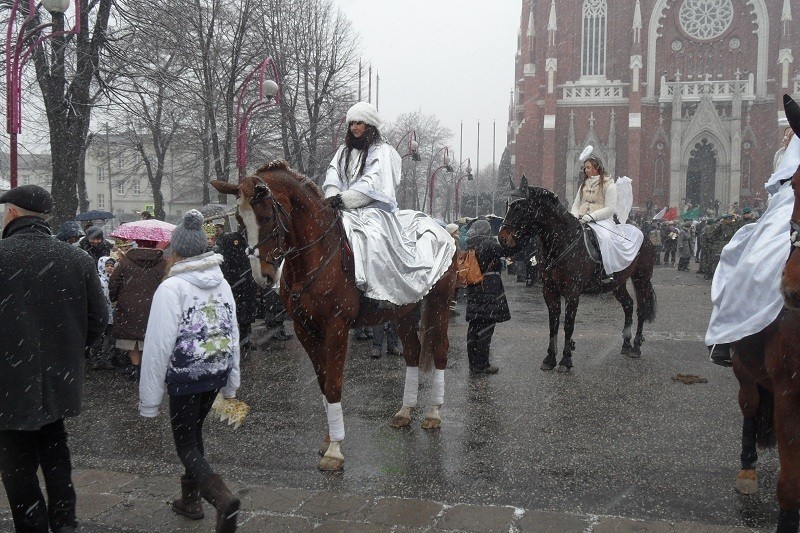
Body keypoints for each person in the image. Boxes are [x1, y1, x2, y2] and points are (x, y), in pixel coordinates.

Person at [0, 185, 108, 533]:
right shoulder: (76, 259)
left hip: (9, 383)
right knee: (55, 451)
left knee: (16, 464)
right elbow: (99, 319)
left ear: (13, 213)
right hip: (58, 378)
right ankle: (65, 522)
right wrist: (71, 350)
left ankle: (32, 525)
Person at [139, 210, 241, 532]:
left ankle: (222, 499)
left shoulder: (171, 289)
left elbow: (157, 347)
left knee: (184, 444)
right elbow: (233, 333)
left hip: (185, 377)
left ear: (177, 251)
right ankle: (191, 500)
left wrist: (149, 401)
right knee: (194, 435)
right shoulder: (221, 282)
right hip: (215, 371)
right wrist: (231, 382)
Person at [322, 101, 455, 307]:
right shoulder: (343, 151)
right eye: (351, 124)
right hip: (341, 208)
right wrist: (332, 195)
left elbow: (374, 181)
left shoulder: (382, 151)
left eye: (359, 123)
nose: (354, 128)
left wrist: (346, 199)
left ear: (369, 124)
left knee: (373, 239)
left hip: (373, 209)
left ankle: (378, 294)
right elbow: (333, 174)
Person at [706, 110, 800, 367]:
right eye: (786, 135)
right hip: (787, 203)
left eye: (790, 136)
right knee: (747, 259)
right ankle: (728, 334)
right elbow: (778, 186)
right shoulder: (783, 156)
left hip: (791, 200)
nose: (786, 139)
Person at [570, 150, 643, 283]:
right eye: (585, 168)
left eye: (588, 167)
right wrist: (574, 217)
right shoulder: (583, 186)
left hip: (602, 221)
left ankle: (606, 271)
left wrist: (592, 216)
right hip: (582, 219)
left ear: (596, 168)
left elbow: (610, 209)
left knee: (605, 238)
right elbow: (575, 205)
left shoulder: (609, 186)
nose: (585, 170)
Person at [108, 238, 167, 380]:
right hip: (153, 305)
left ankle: (136, 369)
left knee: (133, 339)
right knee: (149, 337)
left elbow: (114, 282)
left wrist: (114, 297)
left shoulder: (125, 262)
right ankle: (148, 370)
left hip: (129, 305)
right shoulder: (163, 264)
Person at [464, 219, 511, 374]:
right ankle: (482, 364)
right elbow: (509, 250)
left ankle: (473, 363)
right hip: (488, 291)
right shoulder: (489, 244)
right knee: (486, 330)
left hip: (474, 289)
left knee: (473, 328)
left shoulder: (470, 244)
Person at [216, 226, 258, 352]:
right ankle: (232, 340)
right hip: (235, 282)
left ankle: (245, 340)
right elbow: (225, 259)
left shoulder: (253, 240)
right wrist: (228, 279)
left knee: (247, 312)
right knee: (234, 312)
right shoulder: (231, 238)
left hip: (248, 281)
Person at [90, 256, 118, 370]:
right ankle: (95, 360)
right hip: (101, 314)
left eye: (112, 266)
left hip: (112, 314)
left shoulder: (116, 280)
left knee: (111, 339)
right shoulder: (97, 280)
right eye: (107, 266)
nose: (110, 268)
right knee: (98, 339)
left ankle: (107, 360)